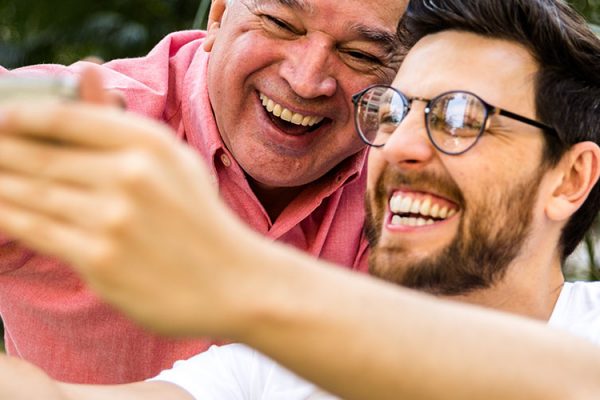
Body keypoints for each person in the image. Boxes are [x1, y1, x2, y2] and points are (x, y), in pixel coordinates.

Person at [0, 0, 600, 399]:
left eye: (461, 119)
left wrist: (239, 279)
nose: (308, 79)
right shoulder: (272, 370)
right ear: (216, 18)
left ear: (571, 177)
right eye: (394, 112)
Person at [0, 0, 408, 383]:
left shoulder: (414, 185)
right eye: (281, 24)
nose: (305, 82)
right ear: (218, 15)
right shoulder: (82, 124)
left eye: (361, 55)